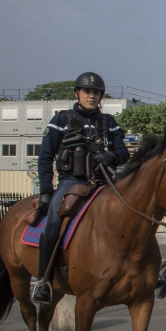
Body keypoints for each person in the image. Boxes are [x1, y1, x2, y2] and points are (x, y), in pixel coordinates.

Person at [31, 72, 129, 304]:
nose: (92, 96)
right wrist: (46, 190)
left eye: (96, 93)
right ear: (77, 93)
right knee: (54, 221)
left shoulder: (109, 123)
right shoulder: (61, 119)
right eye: (87, 91)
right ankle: (43, 281)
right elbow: (45, 157)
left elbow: (124, 153)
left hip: (104, 182)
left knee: (131, 213)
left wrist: (111, 155)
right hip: (71, 182)